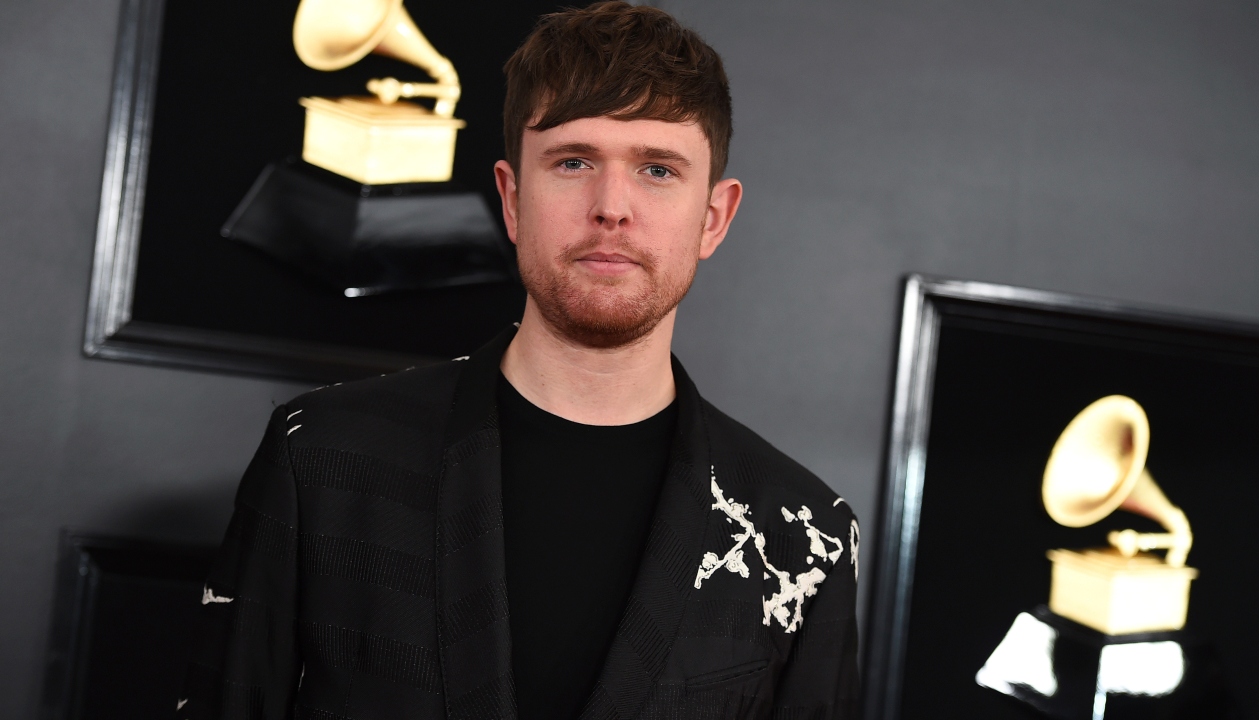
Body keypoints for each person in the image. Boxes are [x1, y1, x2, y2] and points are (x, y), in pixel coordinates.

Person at [179, 3, 860, 719]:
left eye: (658, 169)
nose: (611, 208)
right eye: (573, 162)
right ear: (510, 198)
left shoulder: (803, 533)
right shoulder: (318, 459)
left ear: (713, 218)